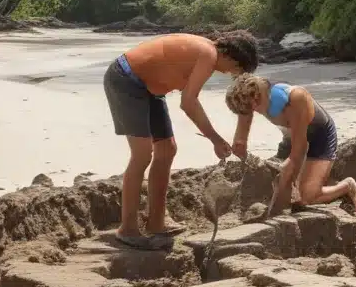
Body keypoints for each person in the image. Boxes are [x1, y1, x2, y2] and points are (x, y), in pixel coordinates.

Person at [103, 31, 258, 249]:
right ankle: (127, 228)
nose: (230, 73)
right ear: (232, 57)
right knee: (142, 154)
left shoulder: (207, 52)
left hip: (149, 89)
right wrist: (215, 138)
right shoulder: (208, 54)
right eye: (235, 69)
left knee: (167, 149)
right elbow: (188, 102)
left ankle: (157, 222)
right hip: (126, 79)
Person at [224, 73, 356, 217]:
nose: (253, 112)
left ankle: (346, 187)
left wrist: (286, 171)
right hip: (290, 135)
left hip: (320, 135)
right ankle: (310, 180)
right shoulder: (250, 97)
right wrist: (239, 145)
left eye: (253, 108)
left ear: (257, 97)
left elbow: (299, 150)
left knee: (306, 197)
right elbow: (241, 139)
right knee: (283, 187)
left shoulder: (296, 98)